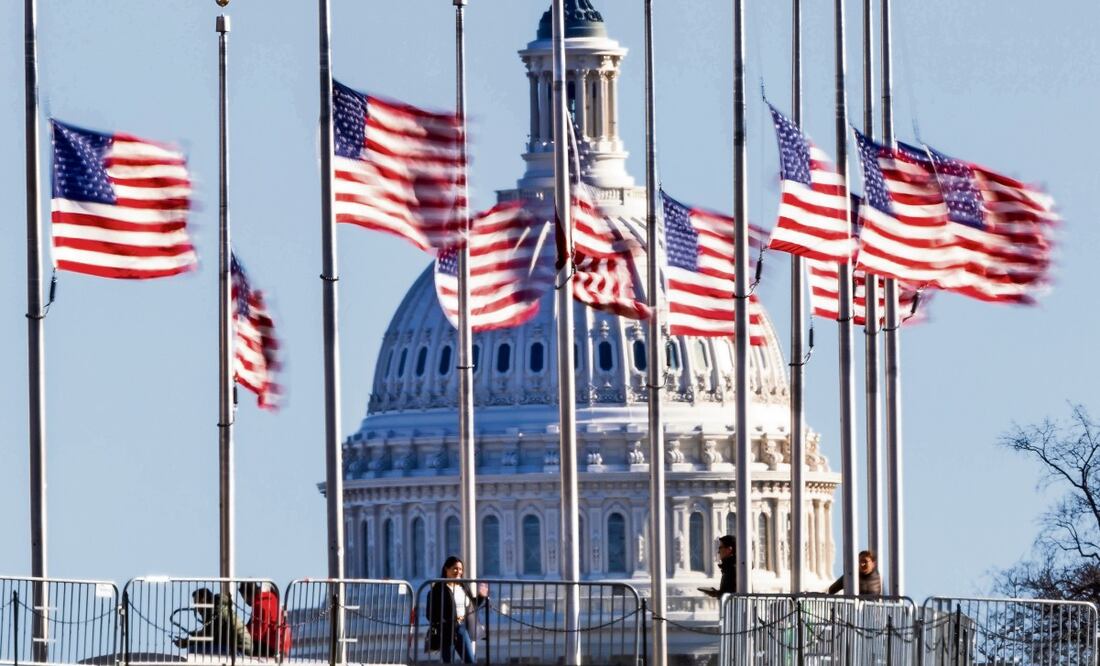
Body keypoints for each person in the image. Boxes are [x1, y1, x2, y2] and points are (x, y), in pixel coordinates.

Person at [425, 557, 489, 664]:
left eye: (460, 569)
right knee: (448, 662)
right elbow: (430, 613)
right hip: (446, 631)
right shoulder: (438, 588)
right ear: (446, 569)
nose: (458, 572)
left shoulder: (463, 586)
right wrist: (445, 621)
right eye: (455, 568)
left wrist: (481, 596)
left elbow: (471, 605)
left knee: (470, 661)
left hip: (461, 628)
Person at [174, 587, 253, 655]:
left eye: (197, 603)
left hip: (239, 651)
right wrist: (193, 634)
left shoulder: (216, 611)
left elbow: (208, 635)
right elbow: (210, 632)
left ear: (203, 601)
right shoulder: (217, 608)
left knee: (193, 649)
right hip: (239, 648)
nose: (196, 608)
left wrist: (186, 642)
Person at [239, 581, 292, 657]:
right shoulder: (271, 598)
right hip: (282, 645)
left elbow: (257, 633)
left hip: (271, 647)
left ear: (247, 594)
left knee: (239, 647)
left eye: (243, 597)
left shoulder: (260, 605)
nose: (245, 601)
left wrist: (240, 635)